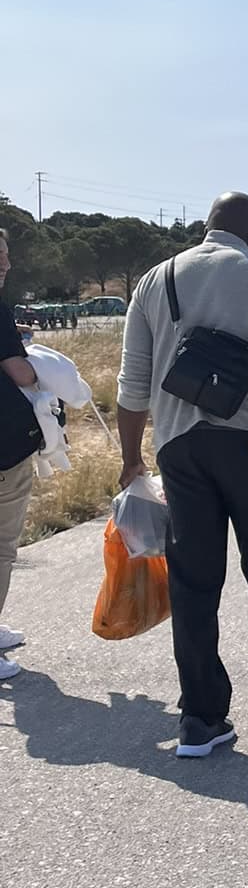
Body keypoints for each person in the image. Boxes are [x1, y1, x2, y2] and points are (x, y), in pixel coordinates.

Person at [116, 192, 248, 758]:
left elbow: (134, 380)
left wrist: (133, 457)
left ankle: (202, 719)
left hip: (178, 450)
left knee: (195, 582)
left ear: (206, 228)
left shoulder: (154, 279)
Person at [0, 227, 41, 680]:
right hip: (4, 450)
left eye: (6, 255)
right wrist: (35, 363)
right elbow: (21, 375)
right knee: (1, 548)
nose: (5, 263)